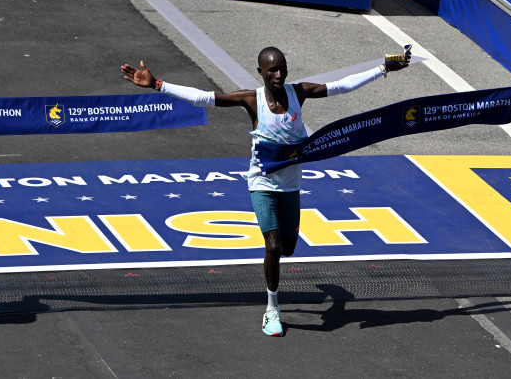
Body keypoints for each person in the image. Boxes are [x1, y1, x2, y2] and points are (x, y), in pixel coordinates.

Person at [122, 47, 410, 335]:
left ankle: (277, 273)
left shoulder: (299, 93)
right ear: (260, 72)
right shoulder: (251, 99)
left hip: (291, 186)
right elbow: (204, 97)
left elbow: (342, 86)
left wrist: (383, 70)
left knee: (287, 248)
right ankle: (272, 309)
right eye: (271, 70)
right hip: (262, 183)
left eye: (282, 68)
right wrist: (158, 84)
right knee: (272, 246)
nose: (278, 74)